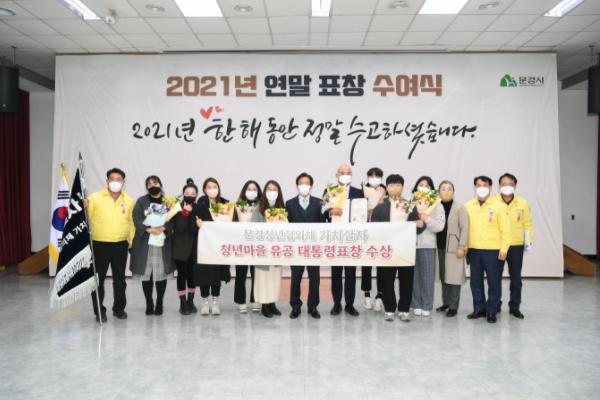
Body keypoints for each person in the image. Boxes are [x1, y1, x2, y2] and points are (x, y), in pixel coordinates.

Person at [84, 167, 135, 322]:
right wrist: (83, 207)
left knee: (120, 280)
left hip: (120, 244)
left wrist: (131, 242)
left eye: (118, 179)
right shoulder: (94, 198)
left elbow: (131, 223)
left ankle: (119, 309)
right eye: (112, 179)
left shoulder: (129, 200)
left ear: (123, 182)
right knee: (97, 280)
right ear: (107, 181)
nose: (115, 182)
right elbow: (85, 217)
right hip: (99, 244)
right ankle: (99, 311)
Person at [371, 174, 423, 322]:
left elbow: (418, 227)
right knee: (387, 280)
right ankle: (389, 309)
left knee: (406, 281)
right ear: (387, 188)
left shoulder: (409, 205)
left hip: (406, 249)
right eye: (392, 185)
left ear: (402, 187)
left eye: (398, 185)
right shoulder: (380, 206)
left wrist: (420, 224)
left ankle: (404, 309)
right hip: (387, 249)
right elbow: (374, 228)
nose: (395, 188)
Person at [464, 175, 511, 324]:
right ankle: (479, 309)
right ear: (475, 188)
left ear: (490, 187)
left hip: (493, 250)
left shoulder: (499, 206)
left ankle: (492, 311)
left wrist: (504, 249)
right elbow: (465, 229)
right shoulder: (468, 206)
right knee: (475, 282)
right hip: (474, 250)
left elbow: (506, 230)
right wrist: (465, 247)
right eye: (479, 185)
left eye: (485, 185)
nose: (482, 188)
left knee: (494, 282)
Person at [130, 175, 175, 316]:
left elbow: (173, 219)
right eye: (149, 184)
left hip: (162, 242)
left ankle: (160, 302)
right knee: (147, 275)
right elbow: (136, 218)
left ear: (160, 184)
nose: (152, 185)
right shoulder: (141, 201)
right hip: (145, 242)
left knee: (161, 275)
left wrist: (163, 228)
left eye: (155, 182)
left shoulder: (168, 202)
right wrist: (149, 229)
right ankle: (149, 302)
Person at [324, 164, 364, 317]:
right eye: (342, 172)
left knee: (350, 273)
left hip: (352, 238)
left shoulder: (358, 192)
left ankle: (349, 304)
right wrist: (330, 211)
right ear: (337, 175)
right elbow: (321, 210)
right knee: (336, 273)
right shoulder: (329, 191)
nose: (345, 175)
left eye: (348, 172)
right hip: (335, 238)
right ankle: (336, 304)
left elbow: (362, 213)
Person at [286, 172, 324, 319]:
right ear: (297, 185)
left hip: (314, 248)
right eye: (301, 183)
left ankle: (312, 306)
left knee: (315, 279)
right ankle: (295, 305)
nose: (304, 185)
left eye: (307, 183)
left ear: (311, 186)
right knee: (295, 278)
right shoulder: (289, 203)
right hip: (297, 248)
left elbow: (324, 223)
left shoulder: (319, 202)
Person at [495, 173, 533, 319]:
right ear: (499, 186)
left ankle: (515, 307)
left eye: (510, 184)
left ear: (515, 185)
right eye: (504, 184)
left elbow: (527, 223)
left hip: (516, 245)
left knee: (516, 278)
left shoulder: (522, 203)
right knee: (495, 277)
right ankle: (495, 304)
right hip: (497, 245)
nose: (507, 186)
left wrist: (528, 242)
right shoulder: (493, 202)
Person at [195, 178, 231, 316]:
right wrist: (197, 224)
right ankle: (205, 302)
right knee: (204, 273)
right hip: (204, 245)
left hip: (219, 245)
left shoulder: (225, 204)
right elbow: (194, 223)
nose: (212, 189)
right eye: (209, 187)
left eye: (214, 186)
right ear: (204, 189)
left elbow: (230, 223)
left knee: (217, 274)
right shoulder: (200, 204)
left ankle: (215, 302)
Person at [411, 176, 445, 317]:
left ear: (431, 189)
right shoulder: (410, 202)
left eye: (427, 185)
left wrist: (427, 219)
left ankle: (426, 305)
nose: (423, 187)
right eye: (421, 184)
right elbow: (403, 221)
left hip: (427, 245)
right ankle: (416, 304)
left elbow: (440, 226)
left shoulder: (436, 204)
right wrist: (413, 223)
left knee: (427, 277)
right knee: (414, 277)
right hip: (410, 245)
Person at [251, 180, 285, 318]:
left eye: (274, 189)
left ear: (278, 192)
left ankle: (272, 304)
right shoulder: (259, 208)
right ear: (265, 192)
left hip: (276, 250)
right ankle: (264, 305)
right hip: (263, 251)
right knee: (263, 279)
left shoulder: (281, 208)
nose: (271, 192)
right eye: (269, 189)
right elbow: (252, 228)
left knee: (274, 278)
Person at [435, 180, 469, 317]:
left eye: (449, 189)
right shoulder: (435, 206)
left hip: (454, 248)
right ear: (439, 192)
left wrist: (462, 246)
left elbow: (465, 228)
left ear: (453, 192)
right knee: (444, 277)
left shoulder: (459, 208)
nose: (446, 191)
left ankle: (453, 307)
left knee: (454, 278)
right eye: (443, 189)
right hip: (439, 247)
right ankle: (446, 303)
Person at [171, 178, 200, 315]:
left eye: (193, 193)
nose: (190, 195)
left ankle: (191, 301)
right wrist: (185, 212)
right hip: (180, 247)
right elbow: (180, 228)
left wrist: (199, 224)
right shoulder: (177, 207)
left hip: (194, 248)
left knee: (192, 276)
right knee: (181, 276)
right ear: (183, 193)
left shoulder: (198, 208)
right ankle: (182, 303)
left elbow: (196, 229)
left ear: (196, 195)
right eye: (187, 193)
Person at [233, 180, 262, 314]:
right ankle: (241, 301)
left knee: (256, 273)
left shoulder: (262, 206)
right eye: (249, 189)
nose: (251, 191)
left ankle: (256, 299)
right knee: (240, 273)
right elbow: (233, 223)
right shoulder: (237, 206)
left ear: (258, 192)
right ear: (244, 191)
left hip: (257, 244)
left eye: (254, 189)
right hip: (242, 244)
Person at [362, 167, 386, 312]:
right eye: (371, 176)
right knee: (366, 265)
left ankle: (380, 296)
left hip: (382, 234)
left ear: (381, 178)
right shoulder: (362, 190)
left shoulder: (386, 191)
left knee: (381, 266)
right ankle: (366, 295)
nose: (374, 178)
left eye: (377, 176)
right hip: (366, 233)